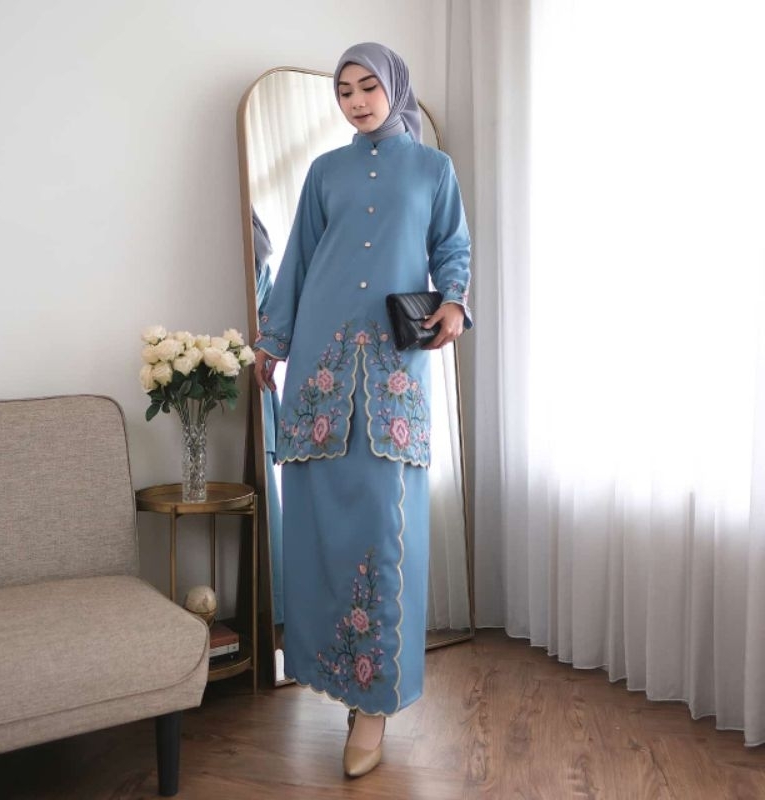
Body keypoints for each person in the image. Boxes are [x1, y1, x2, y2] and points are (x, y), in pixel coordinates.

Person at [253, 41, 472, 778]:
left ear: (393, 88)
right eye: (344, 90)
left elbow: (452, 249)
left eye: (367, 86)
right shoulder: (324, 172)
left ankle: (374, 705)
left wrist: (454, 305)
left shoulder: (434, 170)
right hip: (319, 367)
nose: (355, 100)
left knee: (384, 527)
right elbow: (297, 262)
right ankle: (336, 683)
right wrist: (273, 342)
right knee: (321, 525)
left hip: (391, 373)